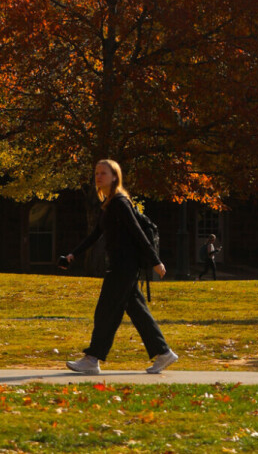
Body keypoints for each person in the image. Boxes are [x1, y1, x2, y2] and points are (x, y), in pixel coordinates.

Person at [62, 159, 178, 375]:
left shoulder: (120, 203)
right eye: (96, 173)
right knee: (138, 312)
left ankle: (92, 359)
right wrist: (73, 255)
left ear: (115, 176)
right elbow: (96, 234)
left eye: (103, 173)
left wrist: (156, 261)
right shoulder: (108, 203)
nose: (98, 177)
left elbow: (138, 232)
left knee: (106, 311)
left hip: (124, 267)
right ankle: (163, 353)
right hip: (121, 266)